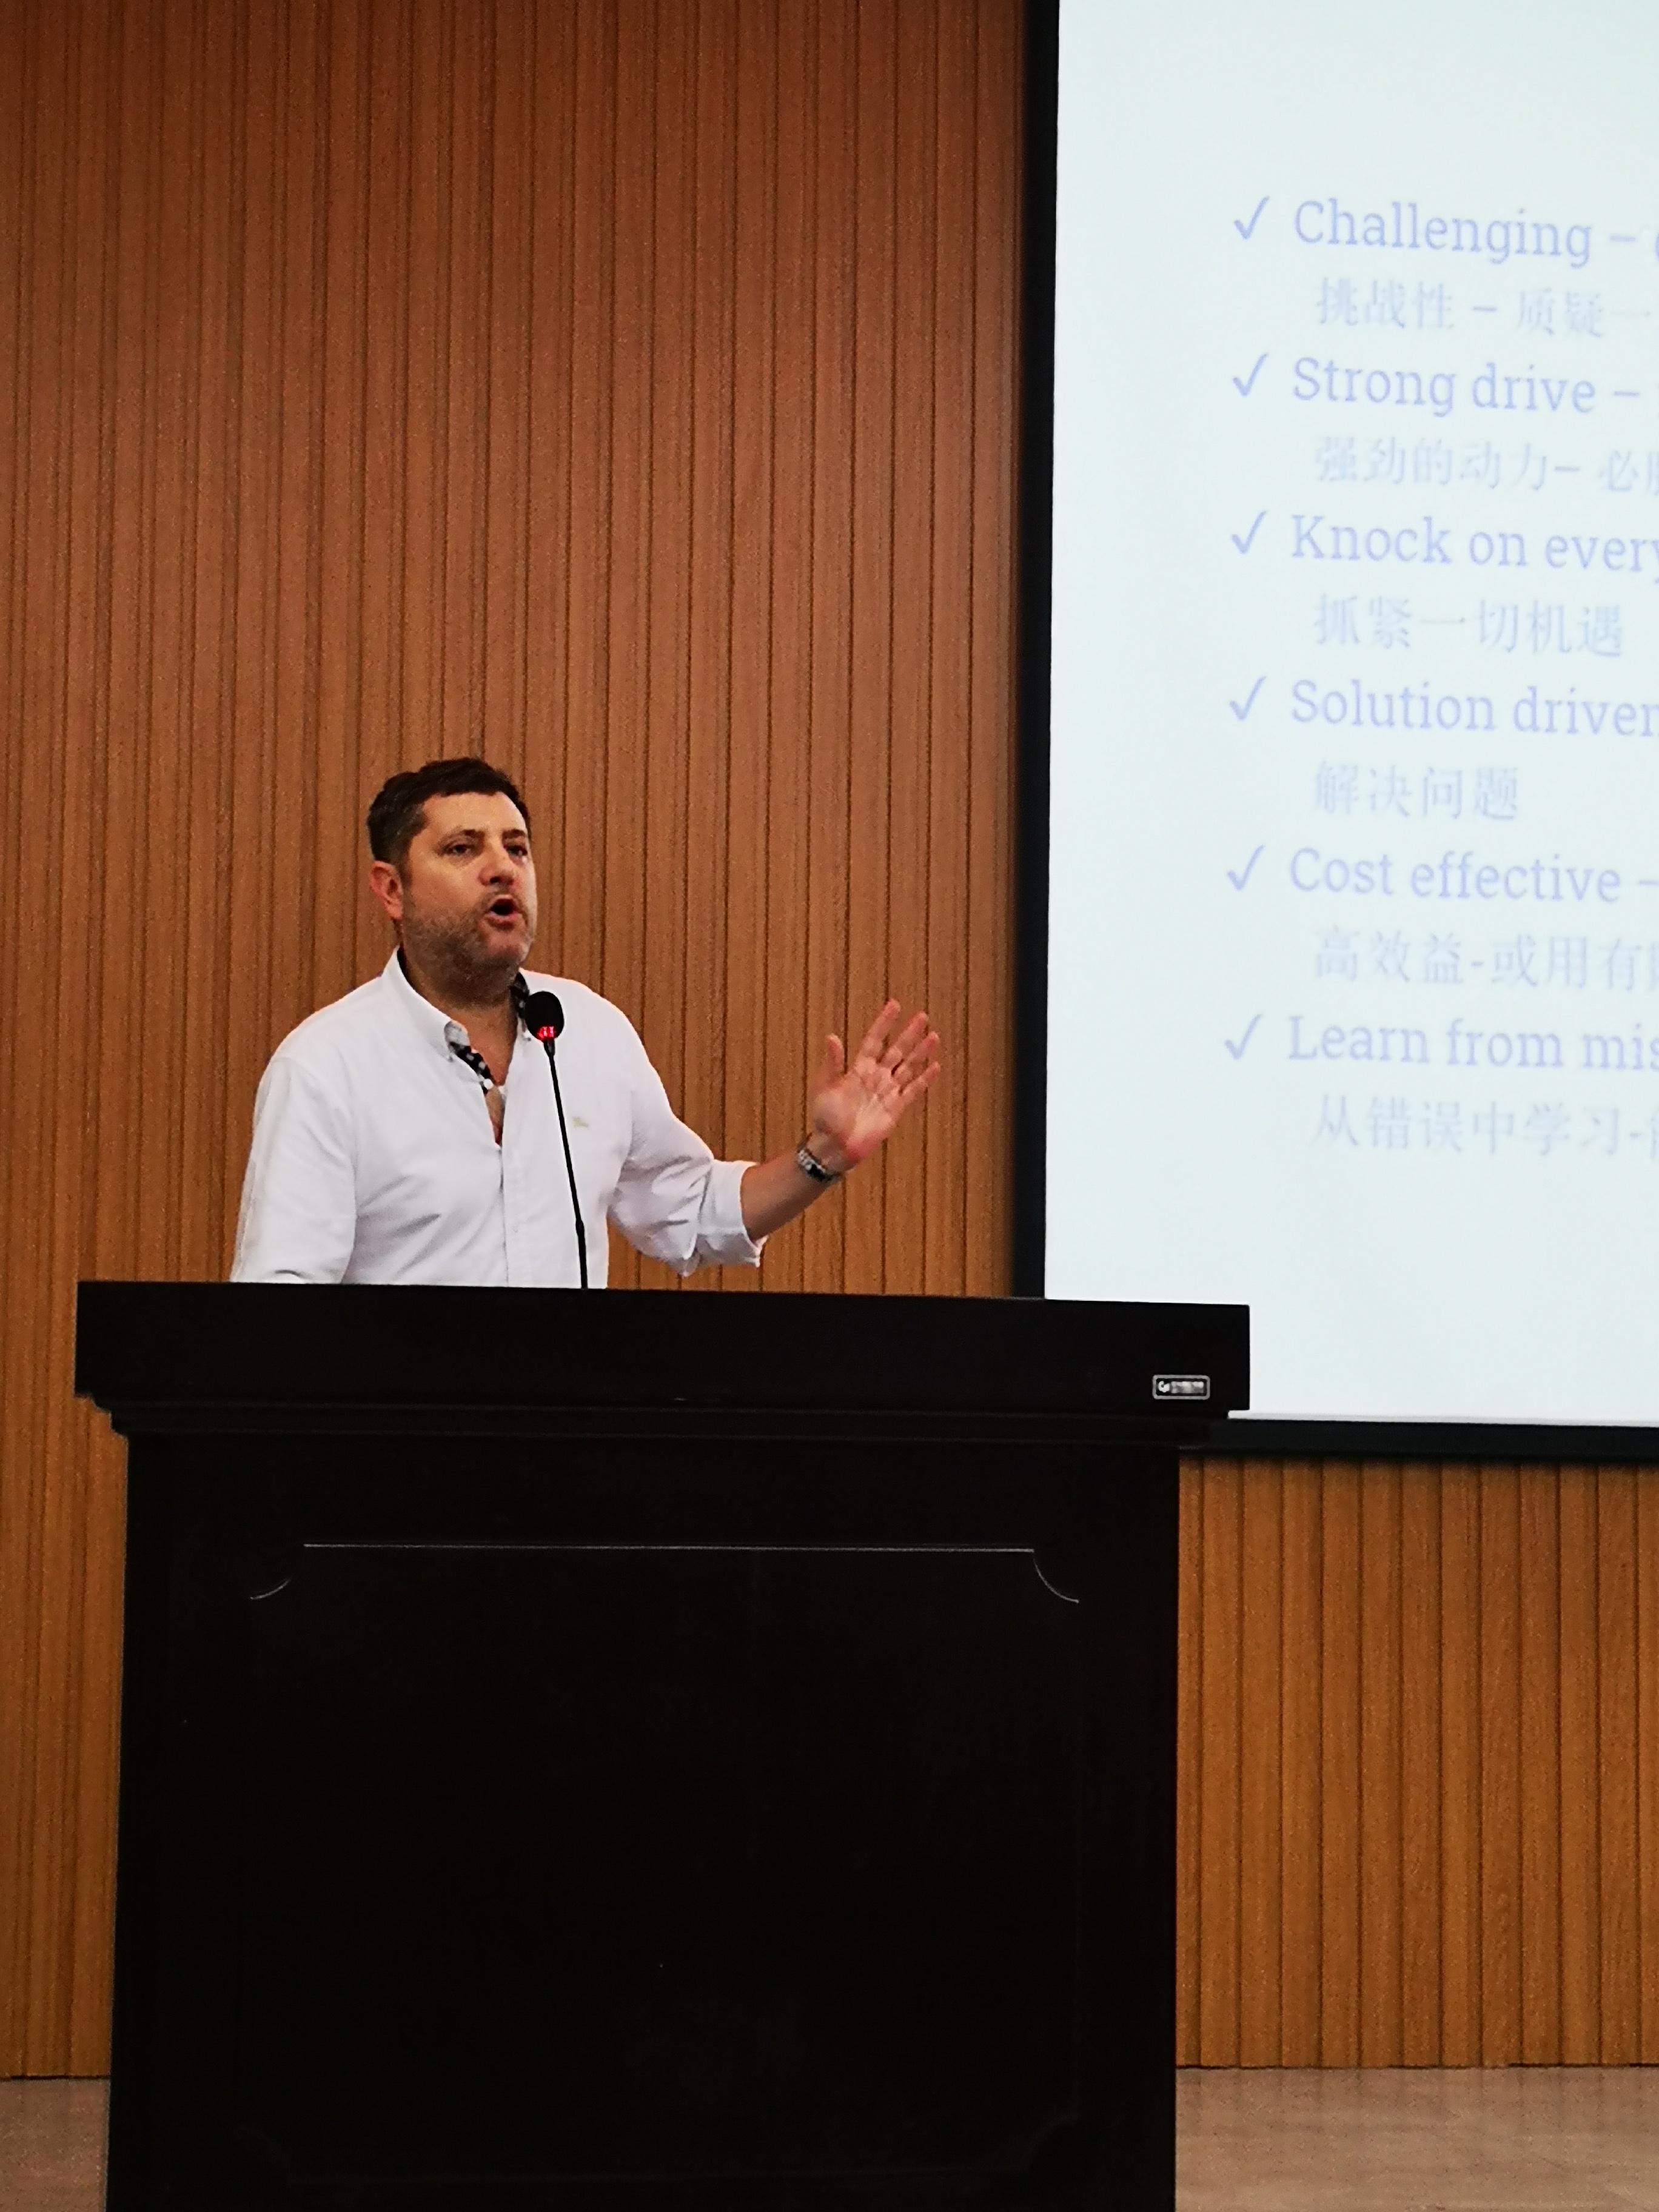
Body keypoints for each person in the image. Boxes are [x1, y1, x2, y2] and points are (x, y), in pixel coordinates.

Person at [232, 757, 940, 1285]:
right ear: (392, 889)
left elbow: (691, 1211)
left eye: (517, 848)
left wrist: (824, 1156)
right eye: (463, 848)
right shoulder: (327, 1067)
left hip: (569, 1435)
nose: (502, 869)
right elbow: (279, 1304)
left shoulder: (588, 1033)